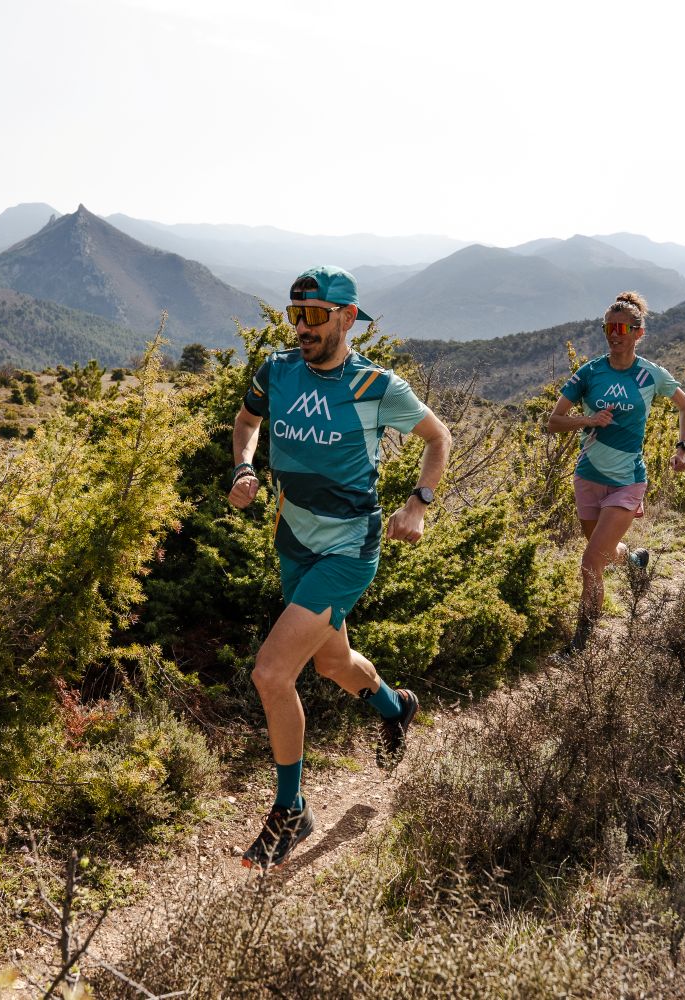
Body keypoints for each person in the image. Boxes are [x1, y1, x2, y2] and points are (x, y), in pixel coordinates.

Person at [228, 264, 451, 870]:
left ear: (348, 318)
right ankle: (397, 708)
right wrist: (244, 466)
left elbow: (439, 438)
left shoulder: (376, 385)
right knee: (332, 663)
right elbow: (246, 422)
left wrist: (419, 503)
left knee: (272, 673)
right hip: (293, 540)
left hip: (349, 548)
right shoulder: (275, 371)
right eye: (294, 315)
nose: (302, 327)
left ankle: (292, 809)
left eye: (314, 316)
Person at [546, 291, 685, 653]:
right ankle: (634, 559)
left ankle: (581, 642)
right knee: (604, 551)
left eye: (623, 328)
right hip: (588, 477)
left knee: (590, 561)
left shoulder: (650, 374)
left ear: (638, 332)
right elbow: (553, 421)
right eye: (609, 327)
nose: (615, 334)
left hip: (627, 481)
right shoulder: (590, 372)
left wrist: (683, 449)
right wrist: (588, 420)